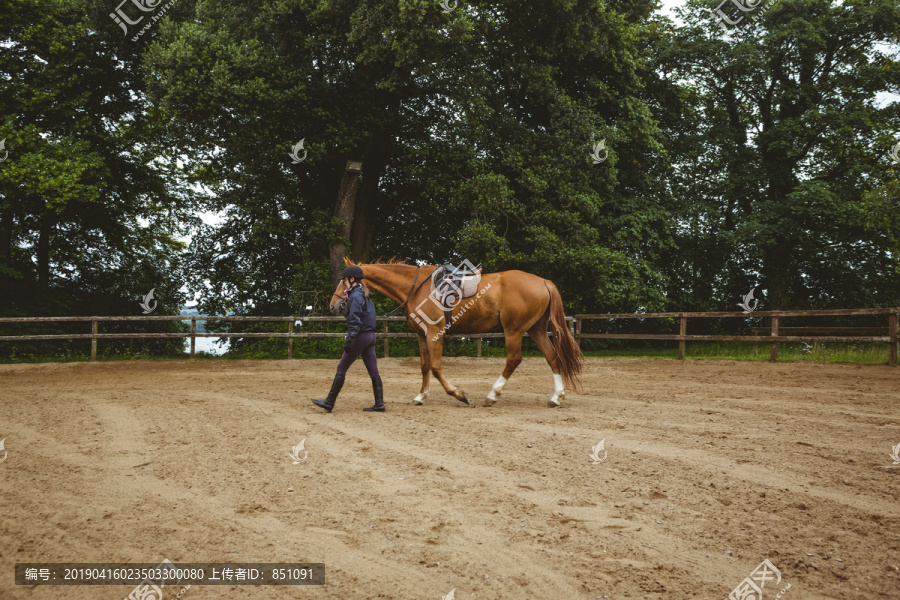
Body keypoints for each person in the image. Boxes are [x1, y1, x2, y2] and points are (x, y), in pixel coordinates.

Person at [313, 265, 384, 412]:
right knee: (373, 371)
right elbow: (361, 316)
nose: (344, 283)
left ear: (352, 279)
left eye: (345, 281)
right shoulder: (364, 294)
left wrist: (350, 339)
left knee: (341, 367)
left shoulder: (355, 296)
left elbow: (355, 322)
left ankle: (329, 402)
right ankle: (379, 404)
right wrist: (346, 312)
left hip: (360, 336)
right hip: (370, 336)